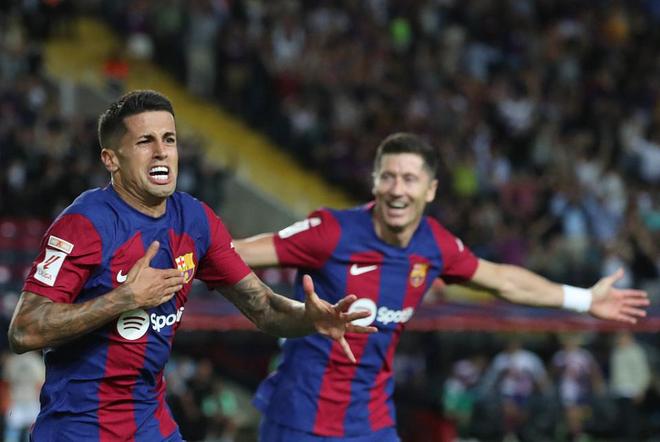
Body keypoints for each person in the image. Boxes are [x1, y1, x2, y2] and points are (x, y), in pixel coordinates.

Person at [6, 90, 375, 441]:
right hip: (78, 430)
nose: (161, 152)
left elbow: (263, 307)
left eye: (169, 139)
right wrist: (124, 298)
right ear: (111, 159)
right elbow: (24, 330)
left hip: (150, 426)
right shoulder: (84, 224)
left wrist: (309, 318)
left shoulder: (194, 220)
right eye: (145, 141)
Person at [234, 132, 649, 442]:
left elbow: (504, 280)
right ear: (375, 183)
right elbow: (235, 253)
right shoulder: (331, 231)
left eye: (409, 179)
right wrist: (189, 251)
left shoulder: (434, 245)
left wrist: (584, 299)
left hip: (371, 421)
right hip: (299, 417)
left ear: (430, 189)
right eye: (388, 177)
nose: (398, 190)